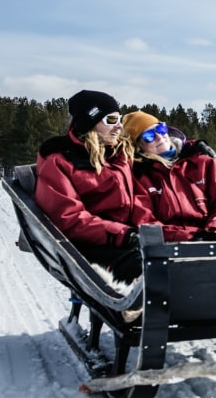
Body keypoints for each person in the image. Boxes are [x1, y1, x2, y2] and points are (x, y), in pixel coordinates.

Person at [35, 90, 156, 283]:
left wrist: (189, 148)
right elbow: (69, 218)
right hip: (90, 247)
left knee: (176, 260)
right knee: (151, 268)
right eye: (110, 120)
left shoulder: (119, 152)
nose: (118, 127)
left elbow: (159, 143)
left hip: (128, 239)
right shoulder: (61, 161)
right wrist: (122, 235)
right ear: (88, 123)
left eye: (120, 120)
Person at [122, 110, 216, 242]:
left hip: (214, 237)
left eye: (160, 129)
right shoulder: (139, 176)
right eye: (149, 136)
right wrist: (192, 237)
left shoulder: (202, 162)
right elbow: (146, 221)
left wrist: (215, 230)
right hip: (170, 246)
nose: (159, 137)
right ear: (138, 146)